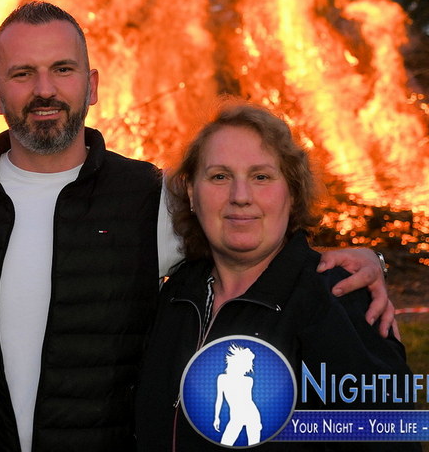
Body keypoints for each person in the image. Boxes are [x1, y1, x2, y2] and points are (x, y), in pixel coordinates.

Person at [0, 1, 393, 452]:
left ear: (92, 85)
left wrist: (365, 261)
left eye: (63, 69)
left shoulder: (151, 196)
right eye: (22, 73)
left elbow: (254, 236)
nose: (45, 89)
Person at [135, 98, 419, 450]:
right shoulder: (176, 296)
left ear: (293, 193)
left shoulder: (338, 299)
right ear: (192, 192)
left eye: (261, 177)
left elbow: (386, 438)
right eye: (219, 176)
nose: (240, 196)